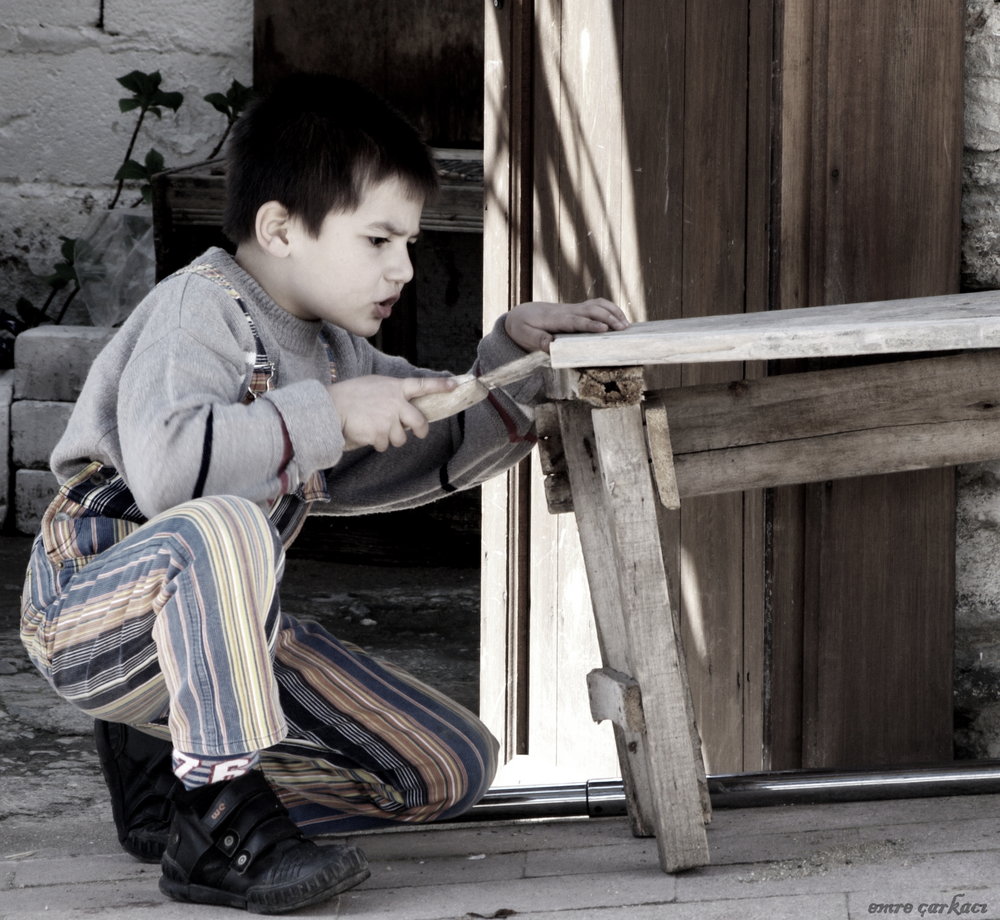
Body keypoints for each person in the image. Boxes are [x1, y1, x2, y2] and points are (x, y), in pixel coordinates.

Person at [19, 72, 629, 915]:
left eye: (409, 243)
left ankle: (173, 782)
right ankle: (221, 819)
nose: (405, 268)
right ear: (279, 228)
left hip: (230, 627)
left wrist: (508, 362)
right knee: (224, 525)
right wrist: (328, 414)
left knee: (449, 764)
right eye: (380, 240)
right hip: (94, 610)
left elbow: (430, 424)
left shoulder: (337, 351)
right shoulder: (199, 312)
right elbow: (165, 473)